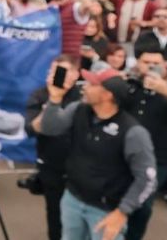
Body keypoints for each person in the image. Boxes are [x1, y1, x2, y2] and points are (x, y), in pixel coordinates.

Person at [40, 62, 157, 240]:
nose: (84, 87)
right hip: (72, 199)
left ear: (107, 94)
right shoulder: (78, 109)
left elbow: (147, 178)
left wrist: (122, 212)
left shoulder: (134, 133)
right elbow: (50, 129)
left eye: (92, 84)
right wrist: (55, 99)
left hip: (106, 210)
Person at [122, 51, 167, 240]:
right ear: (137, 64)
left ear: (165, 65)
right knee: (117, 199)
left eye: (155, 63)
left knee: (142, 203)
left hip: (158, 159)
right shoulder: (128, 86)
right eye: (145, 62)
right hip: (121, 155)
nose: (150, 66)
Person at [25, 54, 83, 240]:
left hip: (81, 168)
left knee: (82, 216)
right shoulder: (40, 94)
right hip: (52, 166)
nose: (57, 75)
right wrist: (53, 100)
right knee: (55, 214)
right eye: (53, 71)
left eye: (63, 72)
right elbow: (32, 128)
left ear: (76, 74)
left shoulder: (85, 96)